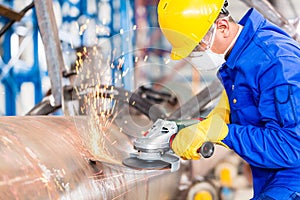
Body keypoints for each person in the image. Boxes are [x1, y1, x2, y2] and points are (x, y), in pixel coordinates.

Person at [157, 0, 300, 199]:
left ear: (222, 27)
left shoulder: (276, 63)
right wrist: (219, 118)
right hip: (274, 175)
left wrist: (223, 133)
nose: (195, 56)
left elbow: (293, 146)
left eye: (196, 47)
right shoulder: (244, 57)